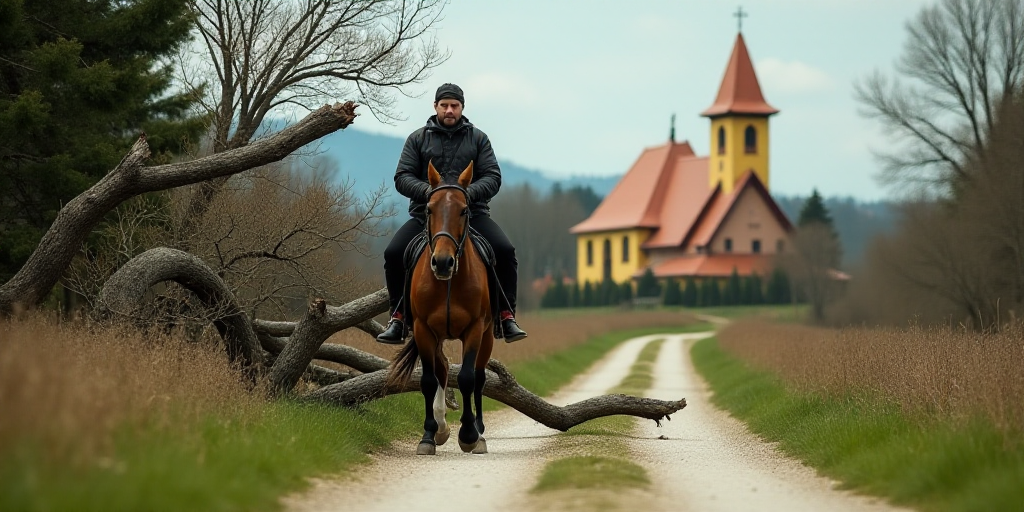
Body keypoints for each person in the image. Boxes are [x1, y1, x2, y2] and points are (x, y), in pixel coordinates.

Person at [376, 83, 528, 344]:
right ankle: (398, 318)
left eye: (454, 106)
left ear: (462, 108)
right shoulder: (417, 139)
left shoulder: (479, 139)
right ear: (435, 107)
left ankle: (506, 315)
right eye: (444, 105)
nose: (449, 110)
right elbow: (402, 177)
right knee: (393, 253)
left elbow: (493, 177)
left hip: (471, 214)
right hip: (427, 216)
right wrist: (430, 193)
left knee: (505, 251)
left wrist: (465, 195)